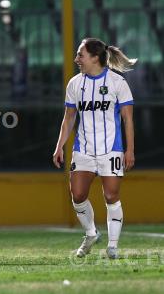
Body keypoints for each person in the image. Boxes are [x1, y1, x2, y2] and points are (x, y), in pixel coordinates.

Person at [53, 38, 136, 259]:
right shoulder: (74, 84)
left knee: (111, 195)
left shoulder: (118, 83)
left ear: (94, 57)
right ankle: (91, 233)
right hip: (83, 149)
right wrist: (59, 146)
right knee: (78, 195)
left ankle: (113, 246)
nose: (76, 59)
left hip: (112, 149)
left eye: (80, 55)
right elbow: (69, 118)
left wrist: (130, 150)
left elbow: (128, 120)